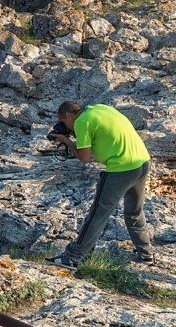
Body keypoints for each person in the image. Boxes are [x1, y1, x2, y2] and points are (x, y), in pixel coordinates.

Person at [47, 101, 153, 267]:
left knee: (98, 213)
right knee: (134, 211)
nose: (65, 126)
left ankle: (72, 257)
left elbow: (84, 158)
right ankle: (145, 254)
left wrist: (66, 140)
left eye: (63, 122)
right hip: (142, 162)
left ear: (68, 116)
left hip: (121, 168)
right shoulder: (100, 108)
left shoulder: (82, 122)